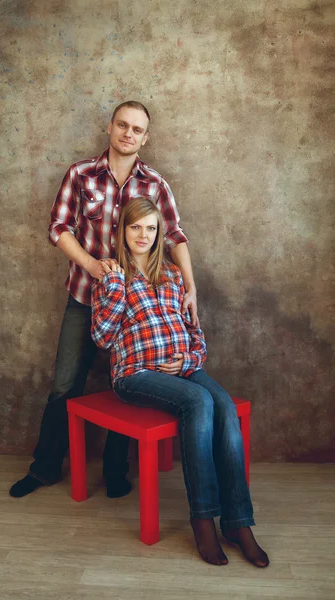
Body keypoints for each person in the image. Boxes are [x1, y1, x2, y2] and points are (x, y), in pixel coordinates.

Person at [9, 101, 199, 499]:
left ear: (146, 138)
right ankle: (44, 469)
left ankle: (116, 472)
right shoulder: (80, 174)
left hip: (136, 306)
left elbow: (176, 236)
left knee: (125, 384)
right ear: (110, 127)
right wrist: (92, 265)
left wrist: (191, 287)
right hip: (85, 296)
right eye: (123, 125)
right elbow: (58, 227)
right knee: (65, 385)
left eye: (137, 129)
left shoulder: (156, 185)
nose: (129, 134)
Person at [91, 197, 269, 568]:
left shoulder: (173, 274)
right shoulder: (109, 275)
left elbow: (194, 332)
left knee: (222, 405)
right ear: (123, 231)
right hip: (137, 373)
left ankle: (238, 523)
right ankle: (203, 519)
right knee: (198, 403)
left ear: (159, 234)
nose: (143, 235)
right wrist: (118, 288)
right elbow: (103, 338)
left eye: (151, 228)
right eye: (135, 227)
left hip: (182, 368)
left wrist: (188, 359)